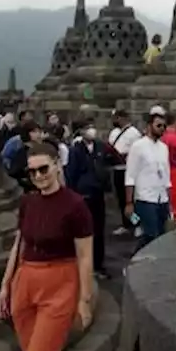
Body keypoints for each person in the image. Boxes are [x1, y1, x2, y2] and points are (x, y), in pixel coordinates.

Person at [0, 142, 95, 351]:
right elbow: (19, 245)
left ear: (57, 165)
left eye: (43, 168)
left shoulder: (75, 205)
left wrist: (84, 300)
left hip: (60, 282)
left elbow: (85, 256)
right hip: (25, 281)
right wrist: (6, 285)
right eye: (33, 172)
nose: (39, 176)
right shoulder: (28, 202)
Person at [65, 120, 111, 280]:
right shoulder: (76, 150)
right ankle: (84, 265)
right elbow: (71, 174)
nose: (91, 131)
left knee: (99, 230)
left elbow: (108, 163)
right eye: (87, 128)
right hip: (83, 196)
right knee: (84, 231)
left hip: (98, 194)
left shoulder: (100, 147)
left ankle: (99, 264)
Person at [123, 110, 170, 251]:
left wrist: (170, 202)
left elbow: (167, 176)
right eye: (158, 125)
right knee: (150, 234)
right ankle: (136, 260)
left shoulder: (164, 148)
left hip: (162, 198)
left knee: (161, 235)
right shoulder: (138, 146)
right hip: (145, 198)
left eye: (163, 126)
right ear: (149, 126)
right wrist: (129, 202)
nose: (161, 129)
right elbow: (130, 175)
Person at [106, 110, 143, 237]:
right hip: (117, 168)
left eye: (117, 118)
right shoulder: (113, 133)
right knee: (121, 199)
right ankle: (126, 224)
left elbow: (137, 150)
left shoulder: (134, 133)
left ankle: (137, 224)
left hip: (129, 169)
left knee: (131, 199)